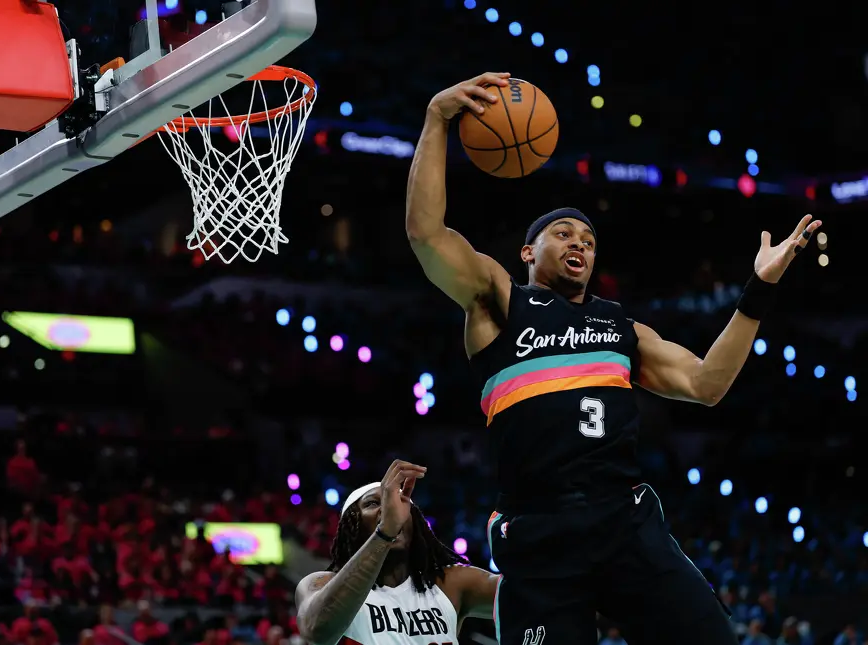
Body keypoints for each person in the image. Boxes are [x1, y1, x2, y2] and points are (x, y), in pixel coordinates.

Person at [404, 72, 822, 645]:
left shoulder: (621, 327)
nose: (579, 242)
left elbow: (707, 384)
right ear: (528, 251)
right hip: (538, 530)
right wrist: (436, 117)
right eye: (563, 233)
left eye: (588, 240)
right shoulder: (498, 300)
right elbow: (426, 234)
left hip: (623, 521)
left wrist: (759, 289)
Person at [295, 460, 500, 645]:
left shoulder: (450, 583)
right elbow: (316, 632)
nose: (389, 509)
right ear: (352, 527)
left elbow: (515, 590)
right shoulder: (321, 584)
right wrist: (385, 532)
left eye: (399, 502)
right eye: (373, 503)